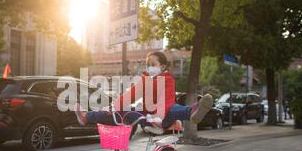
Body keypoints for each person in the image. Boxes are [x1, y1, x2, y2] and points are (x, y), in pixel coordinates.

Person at [75, 51, 213, 132]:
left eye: (153, 65)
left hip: (163, 117)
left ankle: (193, 111)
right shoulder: (145, 80)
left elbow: (166, 100)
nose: (149, 67)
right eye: (147, 65)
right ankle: (87, 116)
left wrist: (158, 117)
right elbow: (131, 95)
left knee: (173, 108)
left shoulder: (167, 79)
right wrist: (115, 106)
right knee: (119, 111)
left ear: (163, 66)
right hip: (147, 117)